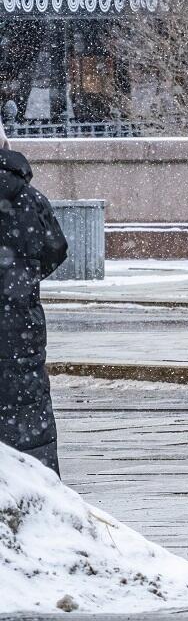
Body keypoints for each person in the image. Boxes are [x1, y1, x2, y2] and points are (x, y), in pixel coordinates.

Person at [0, 146, 68, 474]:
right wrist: (21, 277)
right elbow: (56, 249)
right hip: (20, 328)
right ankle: (37, 500)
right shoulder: (31, 199)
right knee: (26, 418)